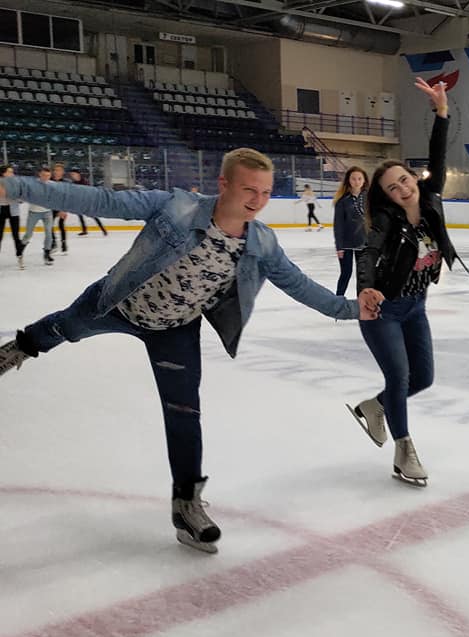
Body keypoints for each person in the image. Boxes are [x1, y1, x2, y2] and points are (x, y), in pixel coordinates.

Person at [0, 148, 370, 553]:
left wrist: (351, 309)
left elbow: (300, 286)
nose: (258, 201)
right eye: (249, 189)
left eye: (265, 192)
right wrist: (14, 187)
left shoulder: (262, 242)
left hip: (174, 330)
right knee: (64, 327)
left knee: (184, 413)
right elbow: (101, 200)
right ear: (224, 184)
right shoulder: (176, 207)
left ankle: (186, 504)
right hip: (117, 304)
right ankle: (22, 346)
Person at [347, 78, 465, 488]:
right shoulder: (384, 219)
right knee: (398, 377)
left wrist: (441, 111)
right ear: (385, 195)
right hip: (384, 309)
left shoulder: (430, 199)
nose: (401, 187)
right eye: (391, 186)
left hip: (416, 307)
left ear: (415, 178)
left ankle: (375, 407)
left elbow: (438, 154)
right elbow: (367, 253)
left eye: (404, 179)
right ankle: (404, 450)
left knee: (423, 378)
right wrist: (365, 288)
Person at [333, 166, 369, 296]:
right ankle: (338, 300)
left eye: (359, 178)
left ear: (364, 180)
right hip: (346, 244)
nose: (356, 181)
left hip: (365, 243)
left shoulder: (370, 198)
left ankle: (363, 301)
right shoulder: (342, 201)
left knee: (363, 276)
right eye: (353, 178)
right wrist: (339, 247)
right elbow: (338, 225)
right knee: (346, 273)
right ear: (348, 180)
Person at [20, 167, 61, 266]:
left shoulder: (53, 185)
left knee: (49, 234)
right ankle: (20, 251)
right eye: (44, 175)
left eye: (48, 176)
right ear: (40, 175)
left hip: (47, 212)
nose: (46, 177)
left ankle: (47, 254)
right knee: (28, 234)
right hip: (34, 212)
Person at [0, 165, 24, 269]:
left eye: (12, 172)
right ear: (3, 173)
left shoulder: (16, 182)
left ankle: (20, 256)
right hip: (1, 209)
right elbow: (2, 194)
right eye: (10, 172)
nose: (12, 174)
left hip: (13, 210)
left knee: (16, 235)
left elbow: (21, 197)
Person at [70, 170, 107, 237]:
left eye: (73, 174)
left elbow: (89, 191)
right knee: (80, 216)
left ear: (78, 174)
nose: (72, 176)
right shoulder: (74, 183)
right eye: (72, 175)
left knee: (93, 216)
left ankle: (103, 229)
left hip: (87, 202)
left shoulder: (84, 181)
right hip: (79, 202)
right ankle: (84, 230)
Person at [50, 163, 70, 254]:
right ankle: (53, 242)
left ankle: (64, 244)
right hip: (51, 206)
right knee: (49, 226)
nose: (57, 172)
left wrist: (63, 209)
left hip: (62, 206)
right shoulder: (49, 181)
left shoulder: (65, 183)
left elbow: (67, 197)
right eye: (55, 170)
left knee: (61, 225)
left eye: (59, 170)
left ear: (63, 172)